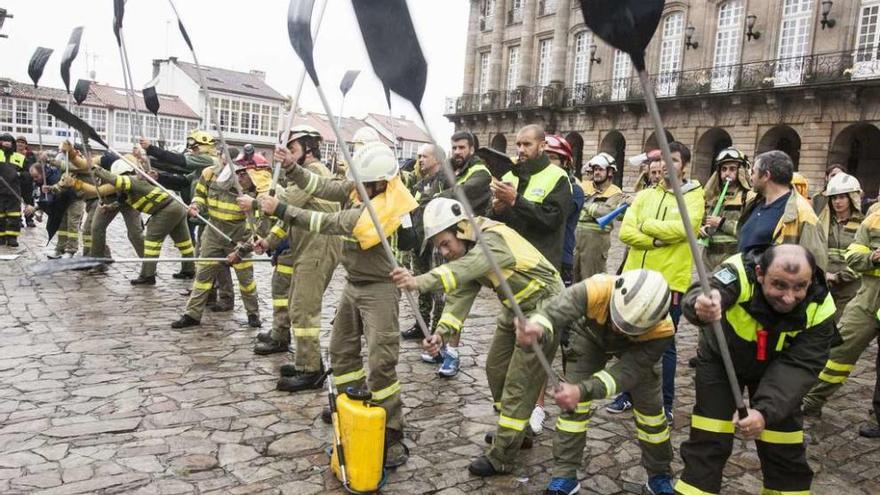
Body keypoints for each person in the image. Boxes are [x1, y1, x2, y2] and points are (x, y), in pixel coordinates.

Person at [258, 141, 417, 468]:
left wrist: (283, 210)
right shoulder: (364, 188)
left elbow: (328, 222)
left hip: (380, 290)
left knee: (381, 360)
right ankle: (351, 406)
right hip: (354, 284)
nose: (355, 186)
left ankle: (391, 431)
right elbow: (325, 186)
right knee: (342, 351)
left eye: (363, 183)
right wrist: (291, 167)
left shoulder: (383, 207)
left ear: (380, 182)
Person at [390, 197, 563, 477]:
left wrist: (419, 281)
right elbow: (459, 295)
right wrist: (440, 335)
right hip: (514, 307)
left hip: (545, 307)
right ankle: (517, 432)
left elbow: (463, 271)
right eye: (439, 248)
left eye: (446, 244)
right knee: (495, 368)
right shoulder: (468, 253)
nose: (444, 252)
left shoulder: (491, 240)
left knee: (520, 381)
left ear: (461, 229)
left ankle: (502, 456)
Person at [675, 245, 836, 495]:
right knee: (709, 438)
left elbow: (801, 365)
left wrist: (763, 412)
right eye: (779, 285)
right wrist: (702, 305)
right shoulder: (738, 271)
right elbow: (706, 290)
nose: (789, 297)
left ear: (812, 277)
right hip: (722, 359)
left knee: (784, 445)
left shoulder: (821, 305)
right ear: (760, 273)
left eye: (799, 287)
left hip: (779, 367)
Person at [517, 270, 675, 495]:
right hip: (588, 336)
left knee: (652, 416)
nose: (619, 330)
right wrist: (537, 326)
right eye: (619, 321)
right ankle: (564, 475)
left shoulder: (663, 331)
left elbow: (624, 374)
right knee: (573, 413)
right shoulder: (596, 288)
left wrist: (582, 390)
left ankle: (659, 475)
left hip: (638, 351)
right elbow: (555, 311)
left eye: (628, 329)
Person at [242, 125, 342, 393]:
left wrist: (253, 201)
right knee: (298, 305)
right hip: (307, 247)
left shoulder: (314, 173)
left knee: (303, 308)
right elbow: (289, 217)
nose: (287, 154)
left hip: (319, 248)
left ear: (308, 149)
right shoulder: (303, 175)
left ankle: (310, 371)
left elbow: (286, 202)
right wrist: (268, 242)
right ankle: (305, 361)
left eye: (292, 149)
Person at [611, 141, 704, 420]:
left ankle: (665, 403)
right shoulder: (645, 194)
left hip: (669, 283)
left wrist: (645, 225)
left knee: (665, 345)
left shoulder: (694, 195)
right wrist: (654, 239)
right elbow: (626, 233)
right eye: (663, 160)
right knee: (631, 339)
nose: (666, 165)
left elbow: (687, 228)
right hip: (635, 278)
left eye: (673, 160)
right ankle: (627, 395)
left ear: (684, 165)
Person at [58, 151, 195, 283]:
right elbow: (122, 201)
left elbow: (111, 178)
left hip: (166, 210)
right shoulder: (129, 188)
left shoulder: (132, 180)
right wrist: (110, 207)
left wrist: (93, 167)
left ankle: (148, 276)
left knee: (151, 243)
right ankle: (189, 270)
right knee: (184, 243)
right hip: (177, 206)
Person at [171, 144, 266, 329]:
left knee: (246, 279)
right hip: (213, 230)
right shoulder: (209, 173)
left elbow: (259, 223)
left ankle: (253, 315)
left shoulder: (255, 184)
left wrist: (241, 249)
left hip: (240, 232)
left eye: (244, 174)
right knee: (203, 274)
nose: (240, 177)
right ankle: (192, 314)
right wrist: (196, 206)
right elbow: (200, 194)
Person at [802, 201, 880, 420]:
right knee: (839, 351)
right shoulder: (873, 219)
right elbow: (854, 257)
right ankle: (812, 400)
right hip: (867, 299)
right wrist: (873, 258)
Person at [491, 124, 572, 271]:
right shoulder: (509, 175)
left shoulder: (558, 177)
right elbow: (494, 221)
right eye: (518, 144)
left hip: (540, 265)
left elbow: (552, 220)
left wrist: (515, 200)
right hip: (511, 262)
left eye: (527, 144)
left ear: (542, 146)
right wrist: (496, 211)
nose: (521, 149)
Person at [737, 150, 827, 270]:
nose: (750, 176)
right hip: (744, 285)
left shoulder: (803, 214)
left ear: (766, 176)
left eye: (753, 172)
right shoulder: (754, 203)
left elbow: (815, 266)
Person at [818, 172, 863, 321]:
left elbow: (864, 260)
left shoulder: (863, 224)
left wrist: (838, 277)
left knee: (841, 327)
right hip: (825, 284)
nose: (837, 201)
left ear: (852, 198)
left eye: (842, 197)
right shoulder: (823, 221)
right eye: (834, 198)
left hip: (851, 287)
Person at [574, 152, 625, 281]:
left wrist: (584, 205)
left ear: (610, 172)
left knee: (592, 279)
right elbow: (573, 203)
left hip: (597, 241)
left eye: (601, 169)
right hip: (576, 237)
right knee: (572, 276)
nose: (597, 172)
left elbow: (605, 212)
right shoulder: (584, 185)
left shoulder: (615, 192)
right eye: (595, 169)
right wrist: (593, 209)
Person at [699, 148, 751, 270]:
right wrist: (699, 230)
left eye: (732, 169)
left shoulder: (748, 197)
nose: (727, 173)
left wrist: (722, 223)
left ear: (741, 171)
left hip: (733, 258)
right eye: (724, 169)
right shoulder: (711, 197)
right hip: (708, 258)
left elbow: (749, 231)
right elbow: (700, 221)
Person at [0, 134, 25, 247]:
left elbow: (28, 173)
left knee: (14, 215)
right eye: (4, 140)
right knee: (0, 216)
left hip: (13, 192)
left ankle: (12, 238)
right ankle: (1, 237)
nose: (6, 143)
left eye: (9, 141)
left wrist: (19, 174)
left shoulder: (19, 157)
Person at [16, 136, 36, 228]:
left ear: (26, 144)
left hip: (27, 183)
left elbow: (33, 168)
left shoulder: (30, 155)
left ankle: (29, 219)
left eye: (22, 142)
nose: (20, 144)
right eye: (18, 142)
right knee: (15, 202)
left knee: (29, 201)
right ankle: (17, 219)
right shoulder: (11, 154)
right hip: (15, 182)